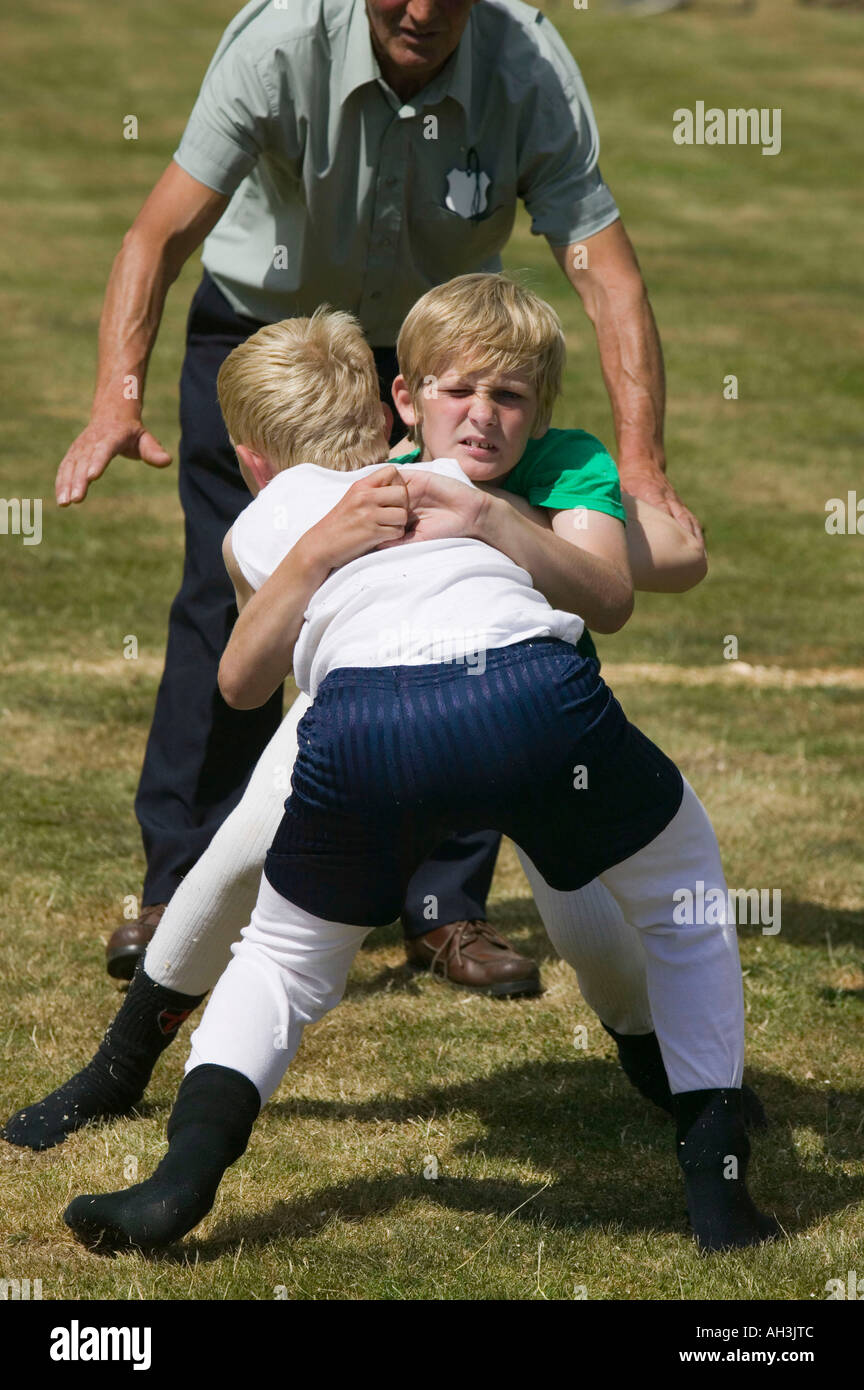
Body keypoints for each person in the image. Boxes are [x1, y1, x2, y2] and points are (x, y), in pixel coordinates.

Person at [61, 292, 778, 1253]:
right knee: (681, 891)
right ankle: (717, 1178)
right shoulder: (399, 479)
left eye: (509, 394)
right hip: (530, 704)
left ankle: (177, 1181)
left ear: (251, 460)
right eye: (459, 390)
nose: (481, 415)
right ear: (404, 401)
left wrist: (488, 516)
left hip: (369, 723)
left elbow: (238, 683)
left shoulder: (463, 479)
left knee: (281, 956)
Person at [54, 0, 699, 989]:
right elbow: (157, 234)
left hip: (434, 349)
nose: (422, 11)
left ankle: (445, 907)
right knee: (225, 593)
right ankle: (181, 890)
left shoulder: (526, 68)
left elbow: (605, 275)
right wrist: (115, 395)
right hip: (277, 335)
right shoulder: (277, 44)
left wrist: (643, 471)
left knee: (468, 580)